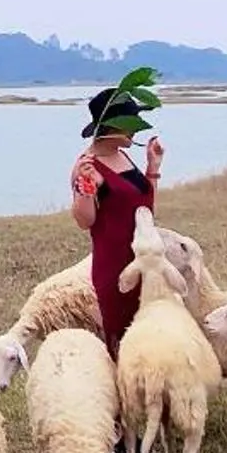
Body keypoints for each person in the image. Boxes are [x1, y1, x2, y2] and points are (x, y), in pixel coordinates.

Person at [69, 85, 165, 351]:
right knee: (123, 346)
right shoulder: (87, 166)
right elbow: (84, 221)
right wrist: (86, 188)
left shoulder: (123, 155)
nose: (137, 130)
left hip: (145, 260)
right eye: (130, 122)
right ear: (112, 126)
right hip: (115, 269)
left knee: (151, 337)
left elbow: (145, 208)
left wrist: (153, 168)